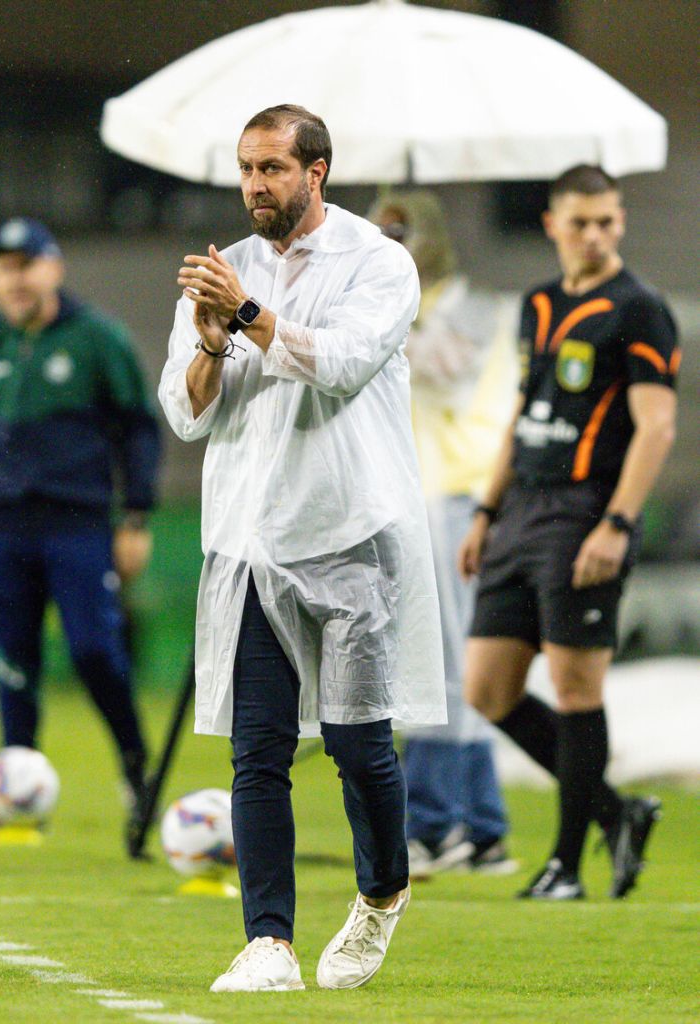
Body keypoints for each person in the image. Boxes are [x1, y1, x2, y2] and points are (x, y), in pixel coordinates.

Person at [159, 105, 446, 993]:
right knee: (258, 749)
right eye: (246, 169)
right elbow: (184, 410)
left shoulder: (378, 262)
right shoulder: (222, 273)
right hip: (252, 541)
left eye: (272, 169)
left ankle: (381, 893)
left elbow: (341, 365)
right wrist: (209, 341)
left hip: (352, 537)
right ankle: (268, 942)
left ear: (316, 172)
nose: (254, 186)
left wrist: (242, 315)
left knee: (360, 748)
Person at [458, 165, 679, 899]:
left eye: (607, 221)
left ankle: (564, 866)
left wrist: (616, 523)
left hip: (586, 514)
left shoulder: (640, 309)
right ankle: (618, 813)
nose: (594, 235)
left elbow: (656, 427)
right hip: (521, 509)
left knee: (575, 685)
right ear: (551, 224)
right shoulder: (538, 303)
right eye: (580, 222)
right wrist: (486, 513)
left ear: (618, 223)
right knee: (488, 689)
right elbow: (524, 411)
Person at [0, 217, 161, 853]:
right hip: (0, 528)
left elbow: (138, 430)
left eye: (26, 264)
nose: (16, 277)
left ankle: (135, 765)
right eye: (4, 267)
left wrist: (136, 515)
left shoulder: (97, 340)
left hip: (78, 525)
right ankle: (18, 797)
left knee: (93, 651)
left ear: (53, 268)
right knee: (12, 662)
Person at [368, 190, 519, 878]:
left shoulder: (475, 309)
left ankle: (434, 824)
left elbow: (441, 370)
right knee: (443, 661)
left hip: (461, 497)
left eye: (396, 232)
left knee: (445, 664)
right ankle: (478, 828)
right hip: (419, 498)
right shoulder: (411, 307)